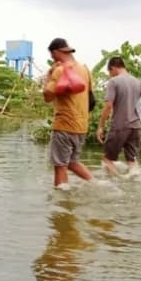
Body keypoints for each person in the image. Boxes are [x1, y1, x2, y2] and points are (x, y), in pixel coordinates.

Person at [43, 38, 94, 189]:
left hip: (64, 124)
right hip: (81, 126)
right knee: (72, 162)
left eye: (52, 55)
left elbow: (47, 96)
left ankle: (61, 201)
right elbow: (91, 97)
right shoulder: (85, 70)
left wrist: (49, 74)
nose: (52, 59)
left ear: (56, 52)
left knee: (60, 166)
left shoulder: (59, 71)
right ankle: (98, 184)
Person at [96, 56, 141, 176]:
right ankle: (136, 182)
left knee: (107, 160)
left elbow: (108, 106)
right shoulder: (137, 82)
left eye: (110, 72)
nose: (110, 75)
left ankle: (120, 182)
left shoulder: (114, 82)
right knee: (132, 161)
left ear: (113, 68)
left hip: (119, 126)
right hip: (135, 127)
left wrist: (100, 126)